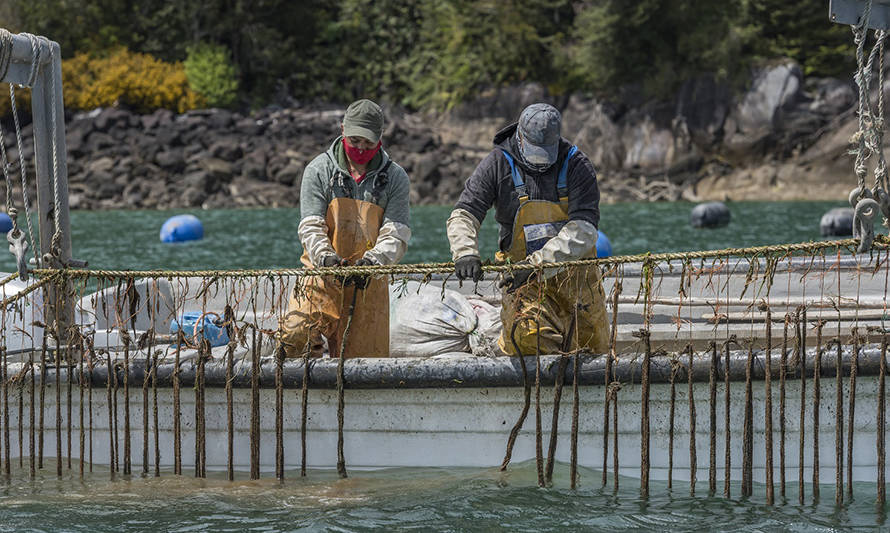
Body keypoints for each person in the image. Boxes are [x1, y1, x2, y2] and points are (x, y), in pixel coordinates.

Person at [446, 103, 609, 356]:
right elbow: (464, 213)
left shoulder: (577, 164)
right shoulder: (497, 163)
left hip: (576, 279)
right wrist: (465, 252)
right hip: (520, 280)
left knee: (591, 348)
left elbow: (585, 229)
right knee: (526, 338)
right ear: (519, 136)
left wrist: (536, 266)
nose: (541, 161)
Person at [280, 99, 411, 358]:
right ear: (342, 130)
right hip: (321, 277)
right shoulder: (319, 170)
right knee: (294, 335)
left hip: (368, 287)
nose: (361, 148)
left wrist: (373, 262)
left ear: (380, 138)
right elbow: (310, 226)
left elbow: (397, 232)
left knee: (364, 367)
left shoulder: (396, 178)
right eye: (355, 141)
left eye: (368, 143)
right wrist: (325, 257)